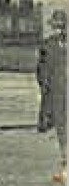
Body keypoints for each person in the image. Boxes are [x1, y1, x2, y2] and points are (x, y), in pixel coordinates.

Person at [37, 10, 66, 158]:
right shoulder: (47, 45)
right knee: (60, 121)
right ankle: (64, 151)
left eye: (62, 26)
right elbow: (41, 68)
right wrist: (44, 84)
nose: (59, 30)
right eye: (56, 26)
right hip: (56, 89)